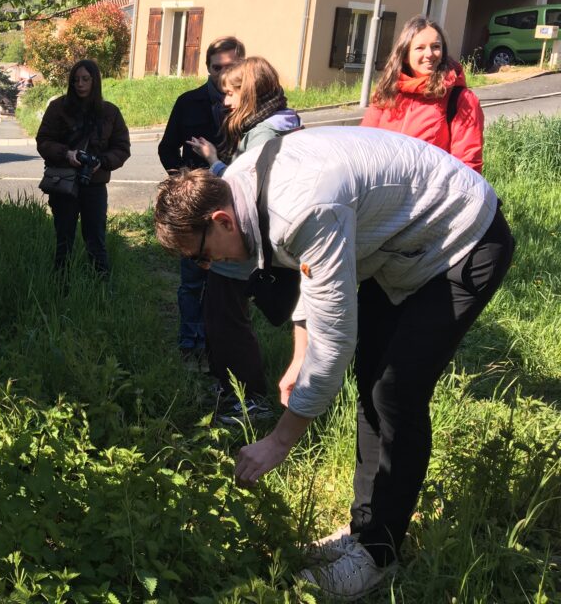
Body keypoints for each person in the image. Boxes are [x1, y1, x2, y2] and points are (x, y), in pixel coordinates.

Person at [154, 127, 514, 600]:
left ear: (221, 220)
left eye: (202, 256)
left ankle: (378, 554)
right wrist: (299, 355)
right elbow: (315, 272)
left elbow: (335, 339)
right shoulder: (237, 187)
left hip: (460, 238)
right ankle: (364, 530)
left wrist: (280, 440)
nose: (208, 266)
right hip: (398, 247)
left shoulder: (301, 207)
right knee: (371, 380)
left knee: (395, 391)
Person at [186, 57, 301, 424]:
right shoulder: (270, 125)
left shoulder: (264, 134)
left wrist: (214, 163)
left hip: (241, 246)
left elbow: (246, 191)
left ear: (251, 92)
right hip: (248, 241)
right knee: (223, 317)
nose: (227, 102)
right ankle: (231, 388)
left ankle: (249, 400)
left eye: (233, 93)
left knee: (227, 321)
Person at [158, 37, 246, 362]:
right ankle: (190, 344)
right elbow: (167, 147)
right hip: (196, 208)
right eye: (216, 67)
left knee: (228, 284)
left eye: (230, 67)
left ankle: (218, 347)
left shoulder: (248, 105)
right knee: (192, 281)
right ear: (207, 67)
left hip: (237, 206)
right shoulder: (188, 102)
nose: (222, 74)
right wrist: (183, 183)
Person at [36, 59, 131, 275]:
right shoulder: (58, 108)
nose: (80, 84)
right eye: (76, 80)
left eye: (85, 79)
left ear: (95, 81)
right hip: (64, 182)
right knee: (63, 239)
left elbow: (122, 148)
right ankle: (60, 284)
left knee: (96, 239)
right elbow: (43, 141)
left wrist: (101, 162)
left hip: (94, 184)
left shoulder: (110, 112)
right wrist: (66, 154)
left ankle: (100, 285)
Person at [362, 15, 484, 173]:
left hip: (430, 188)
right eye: (420, 48)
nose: (430, 54)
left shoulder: (461, 99)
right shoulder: (387, 92)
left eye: (436, 46)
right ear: (405, 56)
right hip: (384, 185)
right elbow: (364, 145)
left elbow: (467, 166)